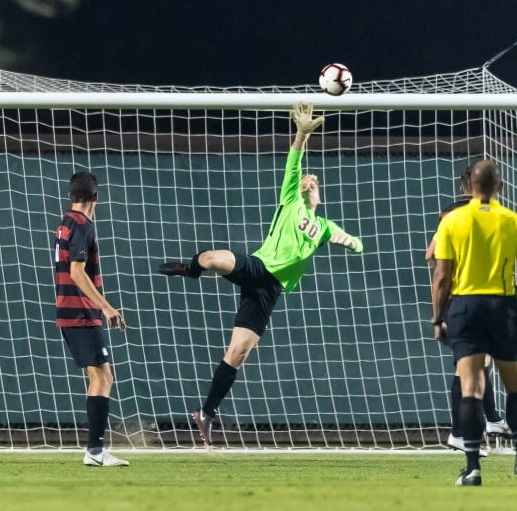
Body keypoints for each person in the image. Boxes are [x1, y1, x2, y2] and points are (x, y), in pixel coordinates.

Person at [159, 102, 363, 446]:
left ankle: (206, 413)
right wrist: (301, 133)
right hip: (258, 266)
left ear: (319, 195)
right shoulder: (290, 201)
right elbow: (294, 162)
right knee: (211, 257)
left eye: (314, 186)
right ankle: (190, 270)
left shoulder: (325, 226)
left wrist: (346, 240)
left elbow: (354, 243)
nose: (310, 185)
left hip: (270, 290)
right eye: (306, 184)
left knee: (237, 353)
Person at [431, 159, 517, 487]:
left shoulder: (452, 221)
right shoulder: (514, 222)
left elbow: (441, 275)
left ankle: (472, 469)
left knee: (470, 386)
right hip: (503, 305)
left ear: (469, 186)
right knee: (516, 386)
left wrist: (438, 317)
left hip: (466, 306)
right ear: (500, 187)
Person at [425, 166, 510, 458]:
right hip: (472, 297)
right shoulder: (478, 213)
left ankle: (492, 419)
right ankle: (460, 432)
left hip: (459, 299)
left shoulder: (451, 213)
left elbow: (430, 255)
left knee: (480, 361)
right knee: (470, 364)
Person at [53, 171, 128, 467]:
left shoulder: (64, 223)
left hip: (68, 310)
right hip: (82, 312)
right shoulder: (83, 225)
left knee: (98, 377)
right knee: (104, 376)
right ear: (96, 197)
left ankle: (95, 449)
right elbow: (76, 272)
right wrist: (107, 307)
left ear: (72, 196)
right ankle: (95, 451)